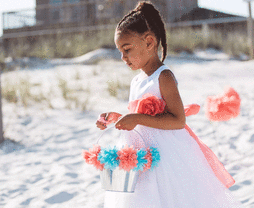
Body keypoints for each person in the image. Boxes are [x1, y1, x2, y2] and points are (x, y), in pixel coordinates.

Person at [96, 1, 242, 207]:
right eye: (120, 50)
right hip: (141, 154)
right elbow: (137, 115)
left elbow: (178, 120)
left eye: (127, 49)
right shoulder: (137, 80)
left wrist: (136, 118)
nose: (122, 57)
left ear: (149, 42)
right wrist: (116, 117)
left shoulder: (163, 77)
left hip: (164, 154)